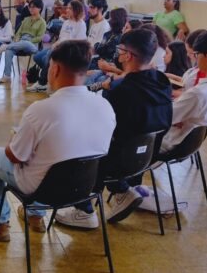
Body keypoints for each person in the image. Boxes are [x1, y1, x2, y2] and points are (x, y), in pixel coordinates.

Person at [0, 40, 116, 241]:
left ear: (54, 69)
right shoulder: (105, 106)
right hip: (85, 187)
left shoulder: (42, 110)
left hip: (43, 190)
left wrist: (15, 139)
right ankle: (34, 216)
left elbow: (15, 156)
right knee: (49, 156)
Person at [55, 29, 172, 228]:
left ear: (127, 55)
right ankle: (121, 190)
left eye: (120, 50)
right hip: (144, 159)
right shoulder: (162, 82)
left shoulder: (121, 91)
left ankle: (84, 210)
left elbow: (101, 129)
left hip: (115, 162)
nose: (117, 53)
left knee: (74, 142)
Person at [159, 28, 207, 153]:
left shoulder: (199, 94)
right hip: (190, 143)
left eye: (196, 54)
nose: (195, 59)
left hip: (170, 141)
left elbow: (162, 117)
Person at [28, 0, 87, 92]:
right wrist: (55, 44)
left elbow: (80, 41)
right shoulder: (66, 22)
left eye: (70, 8)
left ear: (76, 10)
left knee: (50, 56)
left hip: (71, 49)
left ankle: (41, 83)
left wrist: (62, 44)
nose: (67, 10)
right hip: (61, 46)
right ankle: (47, 79)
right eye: (67, 7)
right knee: (37, 57)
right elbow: (61, 37)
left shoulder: (81, 24)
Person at [0, 0, 46, 84]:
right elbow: (18, 32)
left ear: (39, 8)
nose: (31, 9)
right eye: (30, 7)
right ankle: (7, 76)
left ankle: (5, 46)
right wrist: (17, 38)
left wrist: (30, 40)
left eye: (33, 7)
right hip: (20, 42)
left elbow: (39, 38)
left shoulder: (42, 22)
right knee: (9, 51)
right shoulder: (26, 19)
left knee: (25, 42)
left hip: (32, 45)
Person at [85, 8, 128, 89]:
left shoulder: (121, 38)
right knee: (86, 73)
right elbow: (100, 49)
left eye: (112, 18)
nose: (109, 20)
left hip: (108, 66)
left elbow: (104, 50)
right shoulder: (108, 34)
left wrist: (109, 68)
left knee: (97, 78)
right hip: (101, 62)